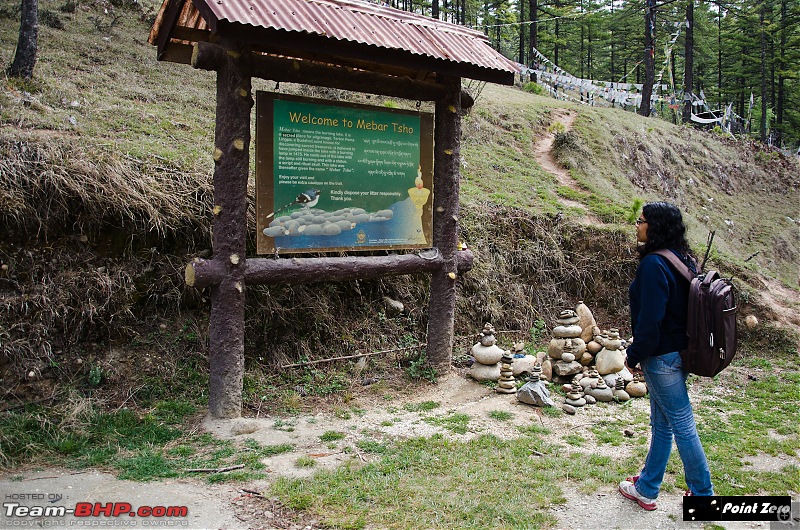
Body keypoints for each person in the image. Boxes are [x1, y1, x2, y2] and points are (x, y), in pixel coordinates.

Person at [618, 201, 714, 511]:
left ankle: (703, 495)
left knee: (682, 425)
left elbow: (651, 321)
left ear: (655, 226)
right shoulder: (683, 259)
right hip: (680, 353)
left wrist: (633, 356)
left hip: (661, 358)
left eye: (642, 220)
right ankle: (647, 488)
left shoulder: (653, 265)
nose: (637, 225)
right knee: (663, 425)